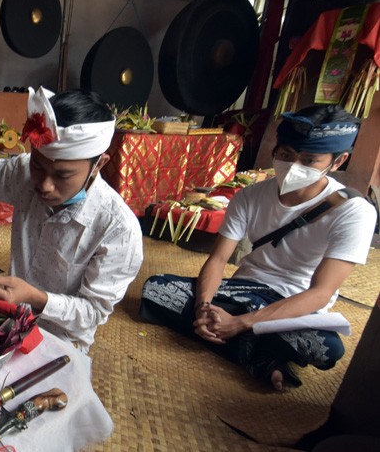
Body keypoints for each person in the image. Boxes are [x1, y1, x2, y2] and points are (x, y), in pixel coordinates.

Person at [139, 105, 376, 390]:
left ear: (338, 162)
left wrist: (239, 323)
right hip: (242, 290)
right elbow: (217, 260)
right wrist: (204, 306)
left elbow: (320, 293)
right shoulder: (249, 196)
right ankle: (259, 358)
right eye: (286, 155)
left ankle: (237, 338)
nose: (294, 166)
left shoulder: (353, 211)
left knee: (325, 349)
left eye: (309, 160)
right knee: (156, 289)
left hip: (296, 303)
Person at [0, 87, 144, 353]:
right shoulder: (25, 174)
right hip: (10, 322)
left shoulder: (118, 230)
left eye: (63, 175)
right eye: (38, 165)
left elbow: (92, 313)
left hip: (62, 343)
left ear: (98, 164)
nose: (45, 185)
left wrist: (35, 298)